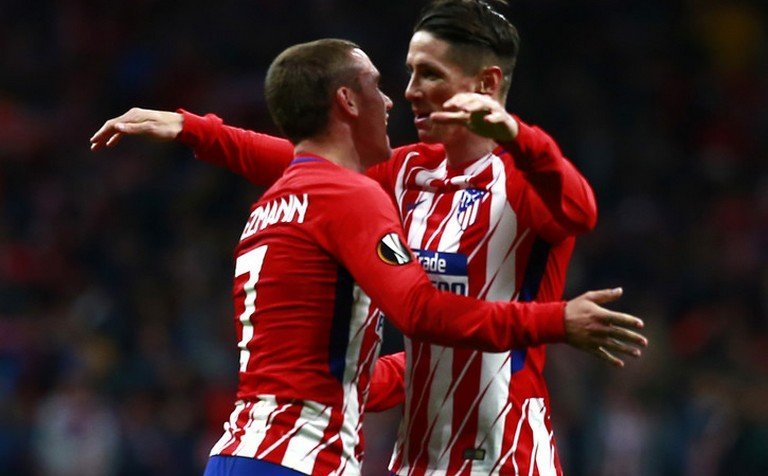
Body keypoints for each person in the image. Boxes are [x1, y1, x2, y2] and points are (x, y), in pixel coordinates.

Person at [92, 37, 646, 476]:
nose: (396, 97)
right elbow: (419, 311)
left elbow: (348, 374)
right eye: (384, 83)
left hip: (243, 452)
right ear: (347, 101)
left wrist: (195, 130)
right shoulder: (359, 192)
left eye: (426, 74)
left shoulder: (278, 202)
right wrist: (555, 322)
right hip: (303, 459)